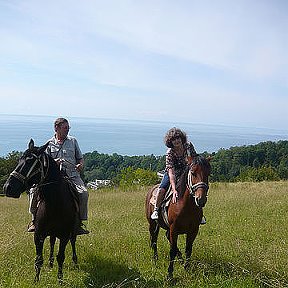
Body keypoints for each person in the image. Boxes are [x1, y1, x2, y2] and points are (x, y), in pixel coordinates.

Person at [28, 117, 89, 235]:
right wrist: (53, 163)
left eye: (68, 128)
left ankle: (79, 222)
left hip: (72, 175)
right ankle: (33, 220)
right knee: (33, 191)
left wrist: (80, 165)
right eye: (65, 128)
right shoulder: (49, 144)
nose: (67, 130)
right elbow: (44, 164)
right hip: (54, 178)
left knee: (83, 193)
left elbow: (80, 158)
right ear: (56, 128)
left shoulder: (73, 141)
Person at [151, 127, 206, 224]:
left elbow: (194, 159)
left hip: (187, 171)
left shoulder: (188, 146)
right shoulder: (170, 153)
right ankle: (156, 209)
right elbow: (171, 172)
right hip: (173, 173)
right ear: (170, 142)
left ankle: (200, 214)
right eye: (173, 139)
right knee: (161, 189)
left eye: (178, 138)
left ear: (181, 138)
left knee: (196, 190)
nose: (176, 141)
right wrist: (174, 189)